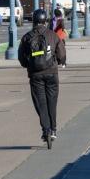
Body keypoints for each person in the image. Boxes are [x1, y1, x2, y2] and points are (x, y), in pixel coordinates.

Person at [18, 9, 67, 145]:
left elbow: (21, 58)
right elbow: (61, 54)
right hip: (51, 73)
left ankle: (45, 130)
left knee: (41, 103)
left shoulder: (27, 37)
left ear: (34, 20)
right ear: (45, 21)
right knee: (52, 102)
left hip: (35, 75)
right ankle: (54, 130)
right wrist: (60, 61)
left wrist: (28, 65)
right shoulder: (53, 35)